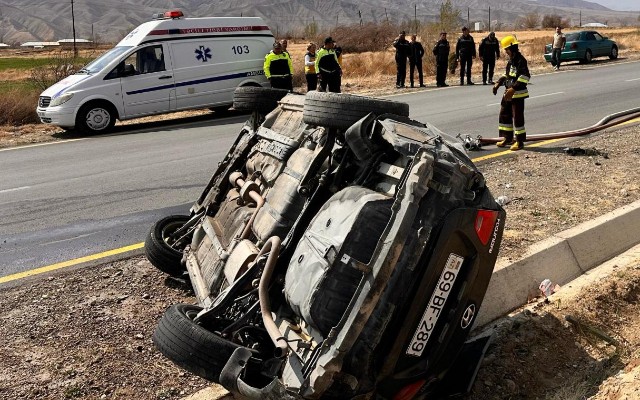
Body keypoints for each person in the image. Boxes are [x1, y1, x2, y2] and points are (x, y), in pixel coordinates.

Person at [492, 35, 530, 151]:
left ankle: (519, 142)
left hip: (517, 94)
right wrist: (499, 83)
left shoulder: (520, 60)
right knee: (504, 115)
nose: (506, 51)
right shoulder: (511, 61)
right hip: (508, 93)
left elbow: (525, 77)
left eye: (507, 49)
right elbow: (507, 74)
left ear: (512, 48)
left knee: (517, 118)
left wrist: (513, 89)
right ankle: (507, 138)